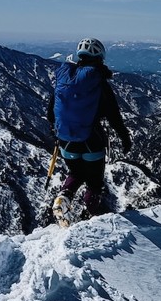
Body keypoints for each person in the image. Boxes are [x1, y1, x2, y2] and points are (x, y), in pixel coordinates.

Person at [47, 37, 132, 224]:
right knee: (94, 183)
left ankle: (63, 197)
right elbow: (113, 115)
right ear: (100, 56)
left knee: (76, 173)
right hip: (91, 141)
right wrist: (125, 138)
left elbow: (51, 113)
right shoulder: (97, 82)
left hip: (65, 141)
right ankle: (89, 218)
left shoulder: (64, 79)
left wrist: (57, 131)